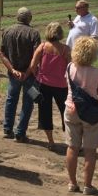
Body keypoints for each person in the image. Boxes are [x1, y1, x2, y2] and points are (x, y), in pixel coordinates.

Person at [64, 37, 98, 195]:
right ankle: (88, 185)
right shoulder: (97, 72)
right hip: (90, 113)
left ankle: (72, 183)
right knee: (90, 150)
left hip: (71, 108)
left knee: (72, 147)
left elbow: (68, 83)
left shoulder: (69, 67)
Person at [0, 7, 41, 142]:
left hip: (13, 74)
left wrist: (12, 70)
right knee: (28, 102)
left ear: (17, 17)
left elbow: (1, 54)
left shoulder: (7, 31)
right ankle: (20, 132)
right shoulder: (34, 33)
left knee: (11, 100)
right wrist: (27, 72)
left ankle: (7, 129)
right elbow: (37, 57)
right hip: (30, 75)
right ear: (30, 18)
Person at [29, 22, 70, 150]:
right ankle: (71, 140)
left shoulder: (42, 47)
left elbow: (32, 66)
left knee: (45, 112)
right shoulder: (66, 49)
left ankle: (51, 141)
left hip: (44, 84)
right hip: (61, 85)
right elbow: (70, 68)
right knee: (66, 112)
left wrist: (38, 75)